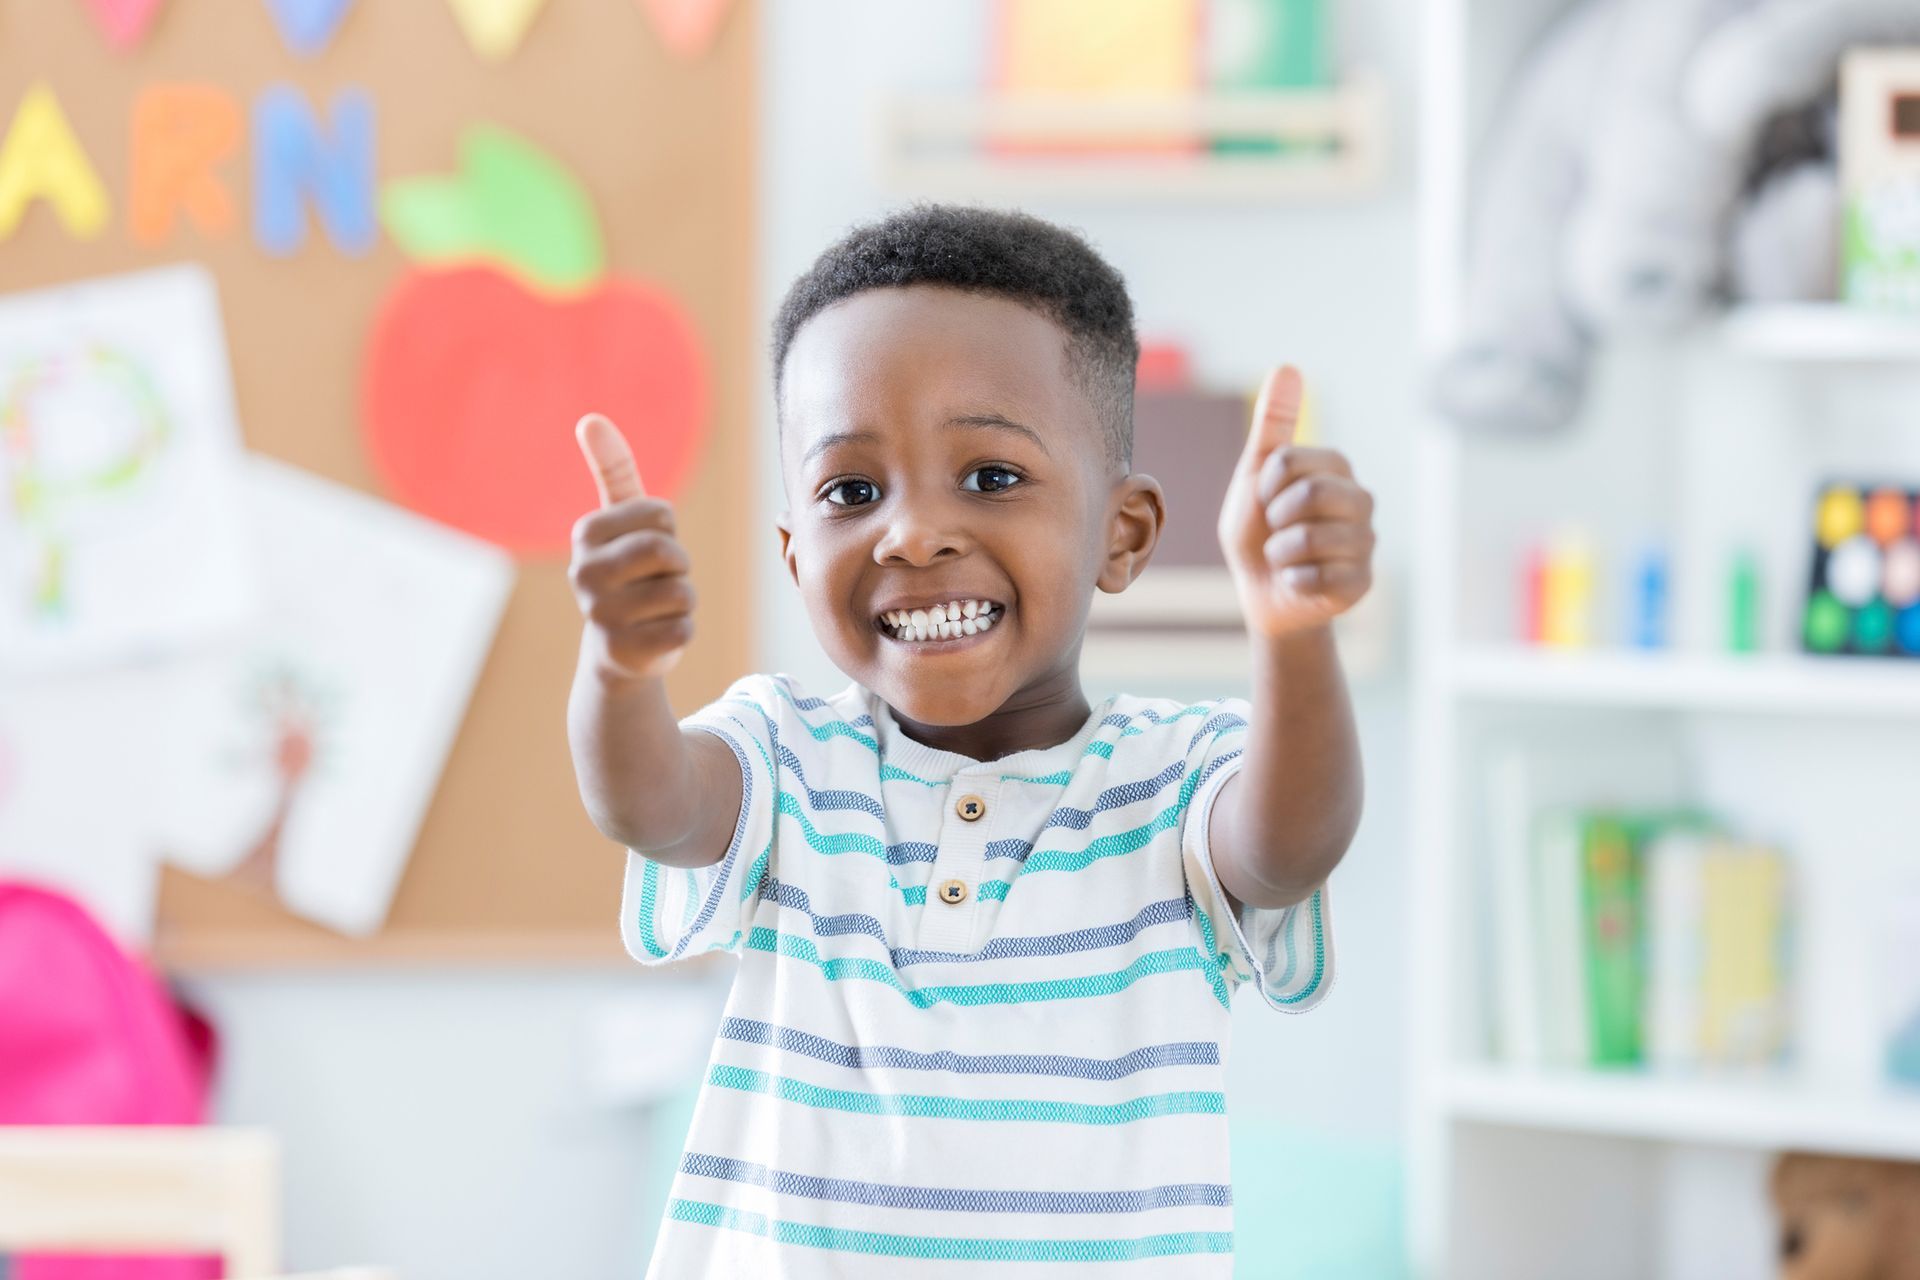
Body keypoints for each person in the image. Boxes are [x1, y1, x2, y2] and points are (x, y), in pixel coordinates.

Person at [566, 204, 1373, 1277]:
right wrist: (620, 670)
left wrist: (1295, 633)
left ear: (1120, 533)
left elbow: (1289, 843)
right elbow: (650, 802)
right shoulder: (785, 756)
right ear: (797, 556)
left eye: (991, 476)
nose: (910, 532)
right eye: (851, 490)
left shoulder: (1177, 780)